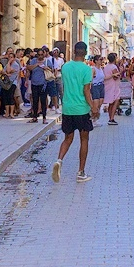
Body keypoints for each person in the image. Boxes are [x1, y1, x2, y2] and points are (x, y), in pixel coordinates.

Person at [52, 41, 98, 184]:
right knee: (84, 139)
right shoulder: (86, 69)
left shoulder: (65, 67)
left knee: (68, 138)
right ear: (84, 53)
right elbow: (86, 91)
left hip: (67, 108)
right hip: (82, 109)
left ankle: (59, 160)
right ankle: (81, 172)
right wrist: (93, 107)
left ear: (73, 51)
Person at [26, 48, 49, 123]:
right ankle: (35, 117)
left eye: (41, 54)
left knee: (43, 101)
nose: (40, 56)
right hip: (34, 83)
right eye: (38, 55)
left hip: (43, 84)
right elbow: (28, 68)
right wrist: (36, 65)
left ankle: (44, 117)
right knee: (35, 101)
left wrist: (46, 68)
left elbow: (52, 70)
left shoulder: (46, 61)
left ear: (44, 54)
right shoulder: (33, 61)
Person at [102, 53, 121, 125]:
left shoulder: (106, 66)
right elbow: (116, 76)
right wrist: (120, 72)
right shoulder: (114, 67)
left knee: (111, 103)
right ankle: (112, 118)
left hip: (108, 85)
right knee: (115, 101)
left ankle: (110, 117)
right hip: (114, 86)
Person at [2, 51, 22, 118]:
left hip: (13, 82)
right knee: (6, 97)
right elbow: (3, 71)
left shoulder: (16, 65)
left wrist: (8, 64)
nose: (10, 58)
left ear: (14, 58)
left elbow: (8, 70)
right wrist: (7, 73)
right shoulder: (8, 64)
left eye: (11, 57)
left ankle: (11, 113)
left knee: (11, 96)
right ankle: (7, 112)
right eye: (9, 57)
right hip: (7, 83)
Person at [89, 55, 106, 120]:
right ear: (96, 61)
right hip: (95, 86)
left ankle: (96, 117)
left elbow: (103, 78)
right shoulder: (93, 69)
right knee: (95, 103)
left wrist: (112, 75)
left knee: (100, 103)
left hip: (101, 86)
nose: (102, 61)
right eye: (100, 59)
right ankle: (93, 118)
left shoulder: (101, 69)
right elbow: (90, 79)